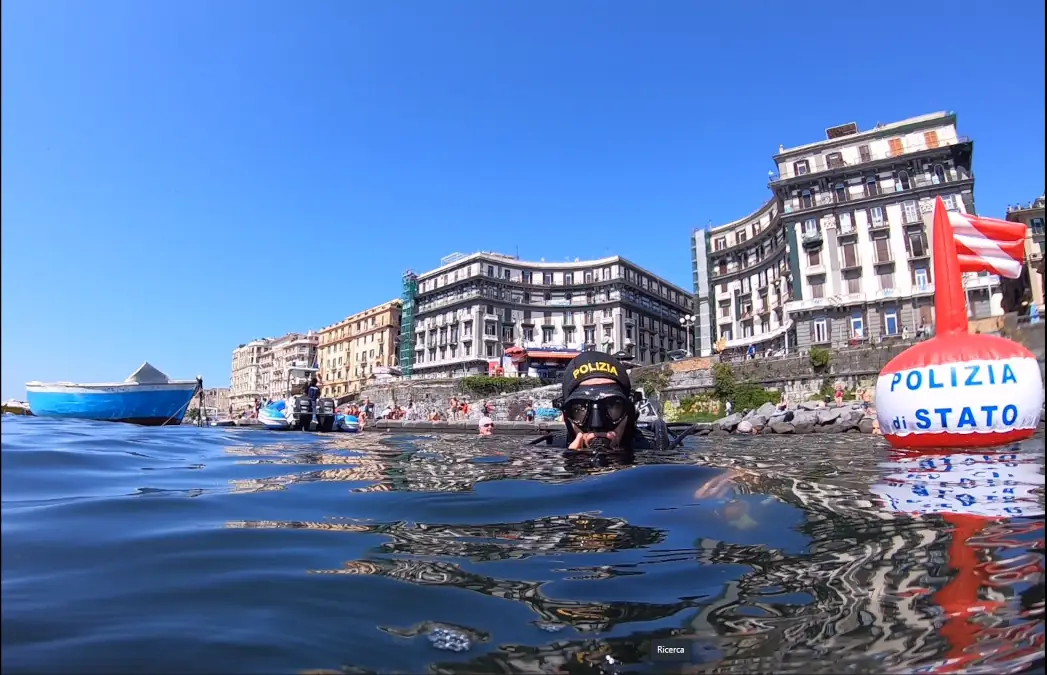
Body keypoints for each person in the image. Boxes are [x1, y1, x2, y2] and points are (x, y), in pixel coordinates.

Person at [549, 350, 665, 453]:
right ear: (566, 417)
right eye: (580, 409)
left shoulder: (651, 451)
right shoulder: (549, 453)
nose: (597, 425)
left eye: (613, 406)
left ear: (630, 413)